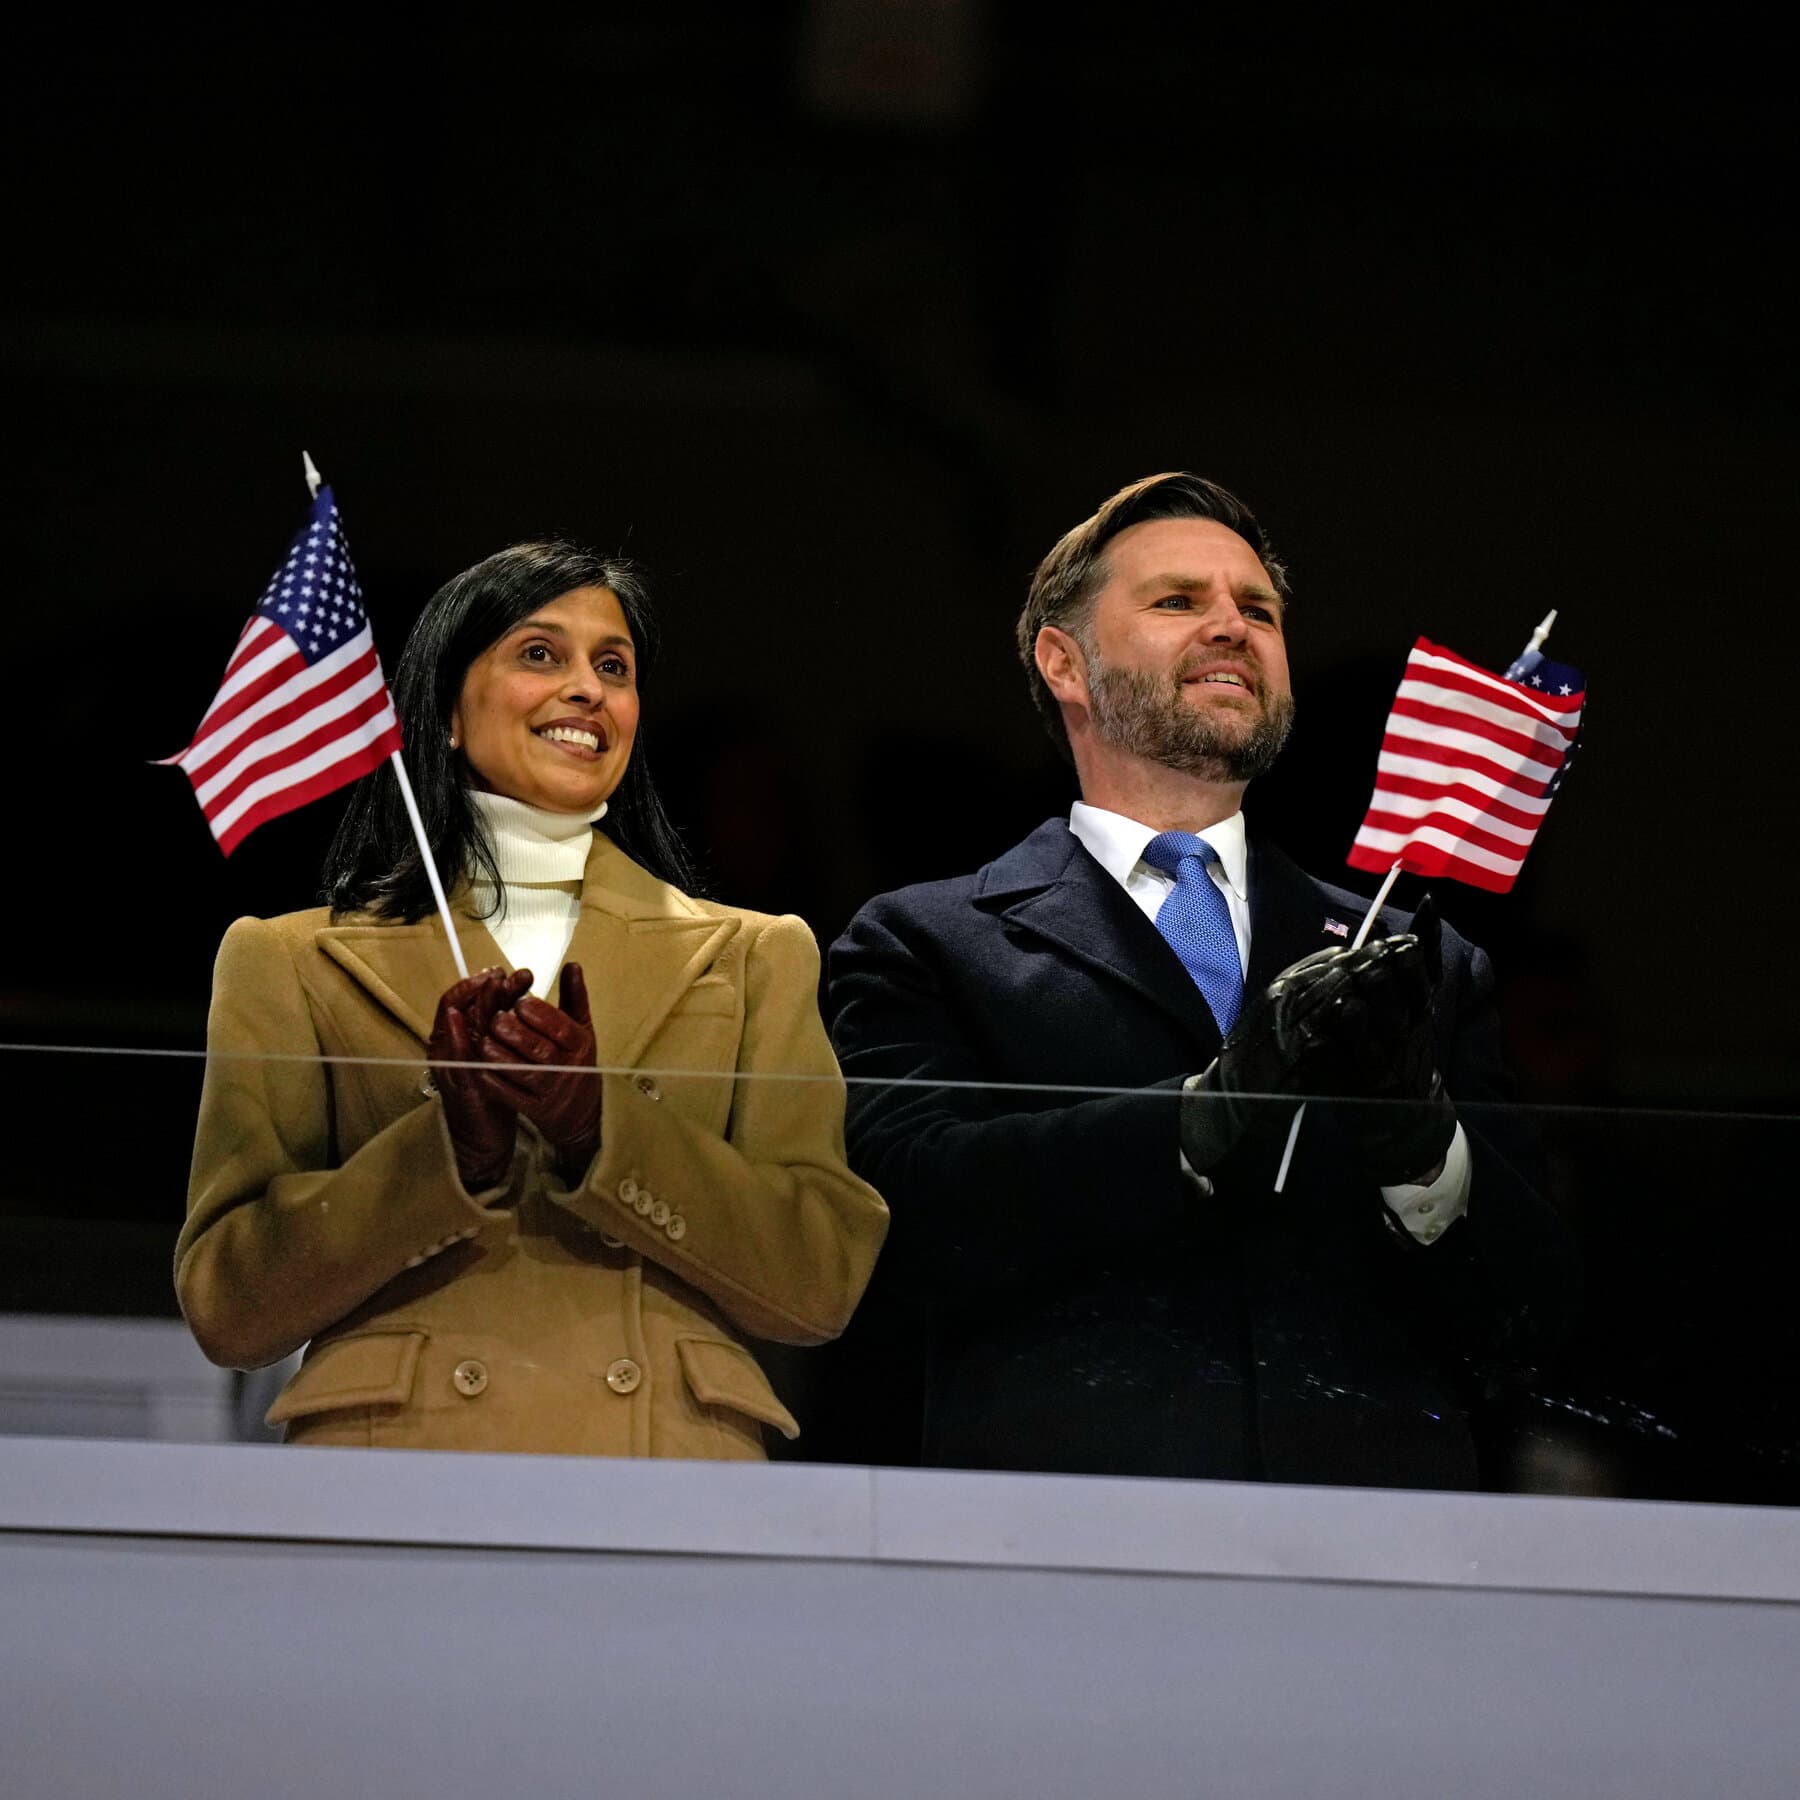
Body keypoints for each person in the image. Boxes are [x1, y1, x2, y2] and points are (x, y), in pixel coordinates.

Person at [827, 474, 1574, 1488]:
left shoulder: (1419, 960)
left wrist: (1423, 1146)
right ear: (1065, 663)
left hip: (1374, 1547)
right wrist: (1194, 1120)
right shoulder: (927, 941)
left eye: (1258, 610)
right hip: (1066, 1539)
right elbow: (897, 1227)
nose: (1233, 627)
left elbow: (1540, 1310)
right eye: (1180, 601)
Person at [177, 541, 888, 1457]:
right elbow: (229, 1310)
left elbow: (818, 1282)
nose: (588, 688)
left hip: (663, 1477)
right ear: (444, 713)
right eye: (540, 654)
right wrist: (449, 1156)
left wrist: (603, 1133)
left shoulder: (756, 956)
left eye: (614, 666)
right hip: (394, 1474)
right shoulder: (288, 959)